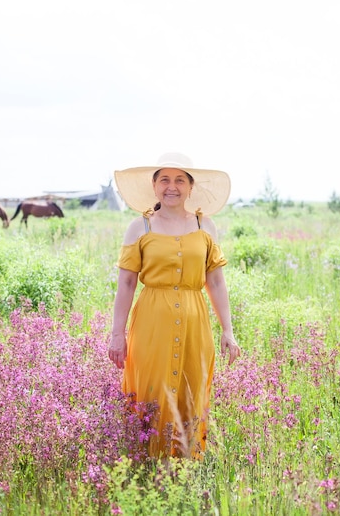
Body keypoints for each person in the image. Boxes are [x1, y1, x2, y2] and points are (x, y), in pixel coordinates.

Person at [108, 152, 240, 459]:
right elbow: (126, 284)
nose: (172, 186)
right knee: (150, 387)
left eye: (180, 179)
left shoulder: (205, 225)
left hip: (196, 319)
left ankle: (187, 463)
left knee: (191, 385)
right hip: (152, 319)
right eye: (164, 179)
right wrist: (118, 334)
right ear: (154, 186)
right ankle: (147, 461)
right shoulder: (139, 227)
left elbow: (216, 282)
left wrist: (228, 330)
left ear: (190, 187)